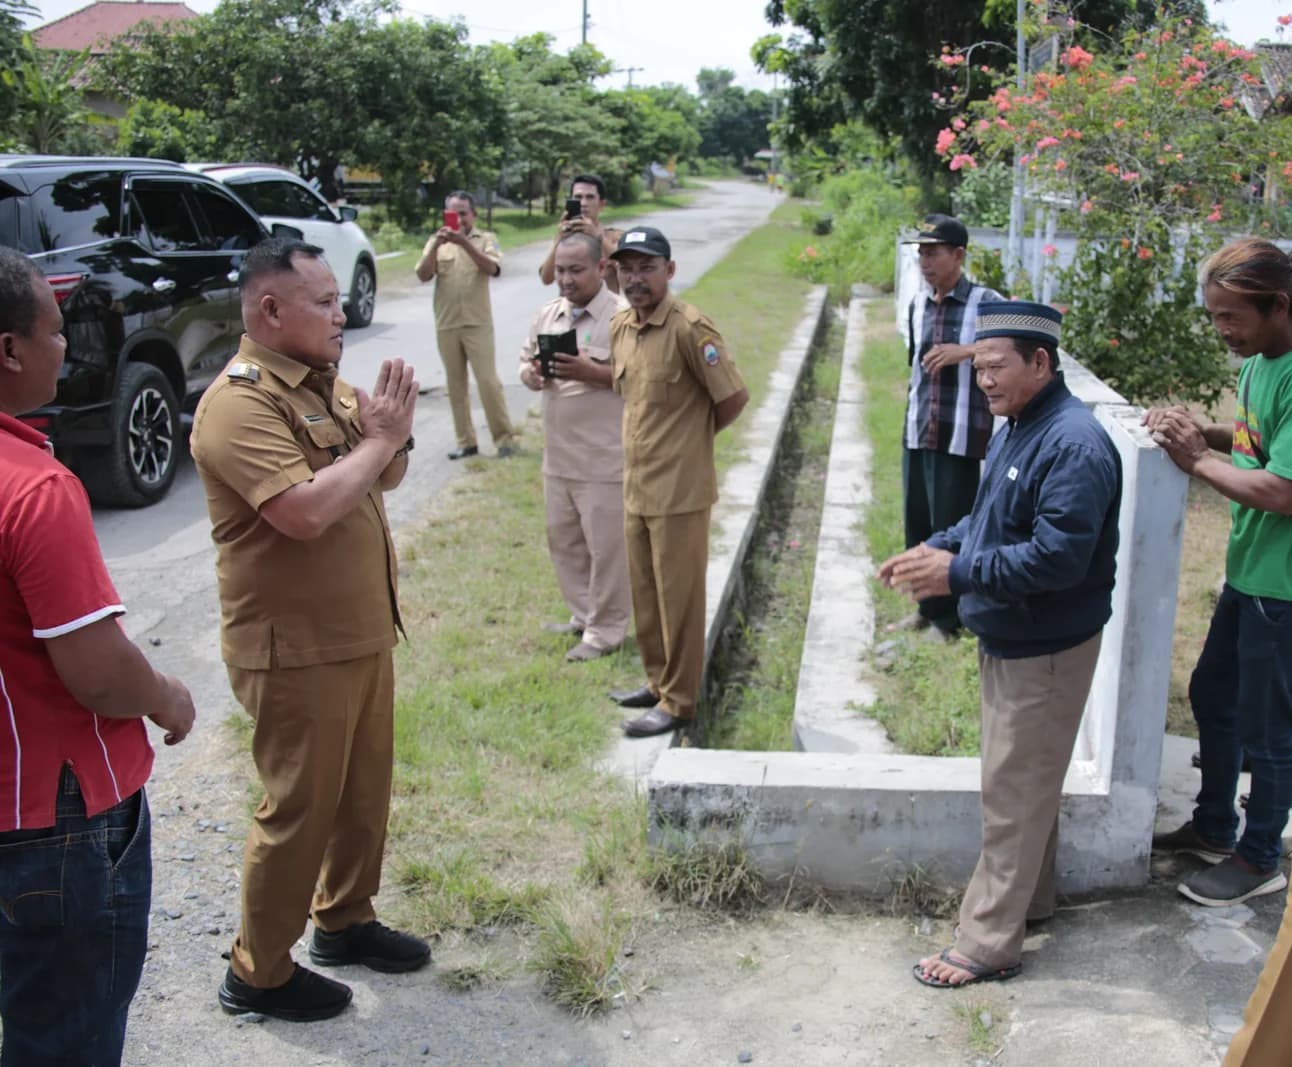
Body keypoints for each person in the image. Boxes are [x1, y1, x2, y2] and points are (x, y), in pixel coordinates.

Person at [190, 238, 429, 1023]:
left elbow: (383, 471)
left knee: (363, 796)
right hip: (292, 647)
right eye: (324, 302)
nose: (341, 312)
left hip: (358, 629)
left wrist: (385, 436)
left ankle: (345, 919)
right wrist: (381, 439)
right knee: (299, 809)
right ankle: (257, 972)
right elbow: (303, 511)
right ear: (270, 309)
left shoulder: (321, 383)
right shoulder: (240, 401)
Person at [878, 300, 1122, 988]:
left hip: (1045, 646)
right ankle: (1027, 904)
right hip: (1013, 636)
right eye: (978, 366)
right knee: (1023, 782)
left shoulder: (1074, 444)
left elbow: (1055, 560)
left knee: (1012, 792)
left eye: (995, 367)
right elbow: (990, 518)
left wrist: (955, 572)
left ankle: (987, 942)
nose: (982, 380)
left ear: (1040, 363)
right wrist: (938, 545)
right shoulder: (1021, 424)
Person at [0, 247, 196, 1065]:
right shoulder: (33, 489)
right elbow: (95, 667)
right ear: (9, 349)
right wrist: (166, 694)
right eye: (54, 330)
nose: (68, 349)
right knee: (66, 1036)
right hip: (56, 820)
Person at [1148, 239, 1292, 919]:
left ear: (1279, 304)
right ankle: (1214, 824)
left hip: (1283, 585)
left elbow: (1279, 487)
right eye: (1214, 316)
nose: (1222, 330)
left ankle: (1260, 856)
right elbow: (1257, 441)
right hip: (1251, 571)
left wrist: (1190, 461)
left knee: (1270, 729)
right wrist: (1202, 434)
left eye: (1231, 316)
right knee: (1212, 691)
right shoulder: (1263, 362)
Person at [606, 227, 749, 737]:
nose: (635, 278)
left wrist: (691, 442)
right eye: (626, 268)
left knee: (679, 598)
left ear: (669, 270)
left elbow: (732, 397)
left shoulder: (691, 329)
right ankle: (656, 681)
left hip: (681, 490)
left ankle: (680, 700)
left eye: (647, 267)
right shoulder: (622, 326)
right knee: (646, 594)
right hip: (637, 486)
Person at [521, 232, 631, 662]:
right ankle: (584, 616)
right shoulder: (549, 315)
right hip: (559, 457)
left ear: (601, 269)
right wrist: (531, 375)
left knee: (607, 549)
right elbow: (525, 362)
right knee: (564, 541)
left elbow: (640, 376)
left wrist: (592, 372)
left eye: (575, 270)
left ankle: (606, 631)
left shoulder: (622, 319)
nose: (564, 280)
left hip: (605, 459)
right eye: (560, 271)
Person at [896, 214, 1003, 640]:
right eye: (921, 253)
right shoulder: (917, 304)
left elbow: (1006, 349)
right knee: (919, 525)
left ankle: (952, 618)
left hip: (960, 434)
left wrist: (965, 351)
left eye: (933, 252)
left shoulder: (985, 301)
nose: (925, 262)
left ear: (958, 255)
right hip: (919, 430)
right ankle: (926, 608)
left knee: (954, 525)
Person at [416, 190, 516, 460]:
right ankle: (466, 441)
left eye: (463, 212)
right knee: (456, 386)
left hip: (477, 323)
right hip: (447, 323)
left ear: (474, 214)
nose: (458, 218)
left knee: (488, 382)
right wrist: (437, 245)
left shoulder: (486, 239)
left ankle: (504, 438)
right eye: (453, 212)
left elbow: (493, 269)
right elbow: (423, 275)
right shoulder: (436, 242)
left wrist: (465, 244)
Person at [538, 174, 624, 294]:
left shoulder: (614, 237)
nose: (583, 203)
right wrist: (559, 239)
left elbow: (625, 266)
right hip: (572, 310)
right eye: (578, 197)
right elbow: (546, 279)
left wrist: (598, 236)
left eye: (590, 197)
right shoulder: (565, 237)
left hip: (608, 309)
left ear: (601, 204)